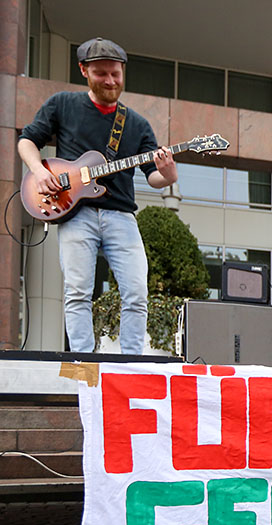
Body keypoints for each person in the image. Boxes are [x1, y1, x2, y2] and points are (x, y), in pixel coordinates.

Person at [18, 37, 177, 354]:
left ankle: (132, 364)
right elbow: (27, 141)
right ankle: (84, 364)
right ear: (84, 71)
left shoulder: (137, 124)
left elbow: (155, 177)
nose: (110, 81)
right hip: (76, 214)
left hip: (122, 216)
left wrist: (170, 173)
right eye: (101, 74)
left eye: (116, 74)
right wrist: (39, 171)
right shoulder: (63, 104)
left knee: (137, 293)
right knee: (77, 291)